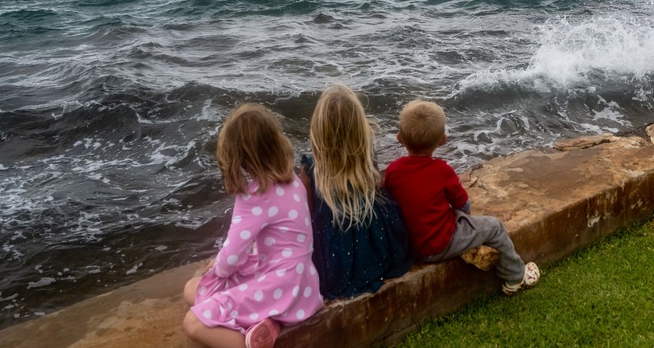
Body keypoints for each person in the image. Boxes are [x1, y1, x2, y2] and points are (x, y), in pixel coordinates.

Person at [183, 103, 323, 348]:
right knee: (191, 289)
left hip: (280, 285)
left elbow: (230, 259)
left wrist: (218, 267)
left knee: (192, 321)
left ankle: (248, 340)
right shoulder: (292, 181)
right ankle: (269, 322)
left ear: (239, 159)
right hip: (303, 285)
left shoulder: (254, 197)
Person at [383, 100, 540, 295]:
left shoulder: (393, 170)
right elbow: (462, 204)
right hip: (436, 246)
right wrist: (465, 220)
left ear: (399, 138)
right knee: (495, 227)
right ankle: (515, 277)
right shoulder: (442, 171)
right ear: (442, 140)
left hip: (409, 246)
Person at [299, 84, 413, 299]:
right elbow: (377, 183)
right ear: (360, 126)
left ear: (318, 130)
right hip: (373, 235)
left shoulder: (310, 168)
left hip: (335, 251)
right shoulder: (367, 151)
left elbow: (307, 214)